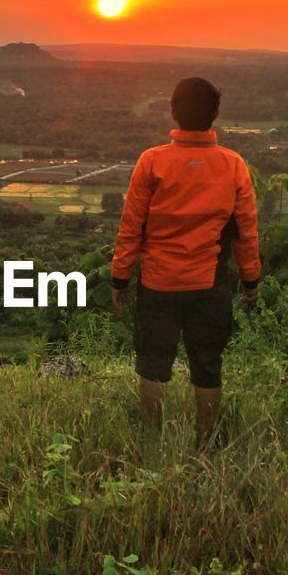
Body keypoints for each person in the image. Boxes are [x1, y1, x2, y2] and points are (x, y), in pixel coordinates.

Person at [110, 77, 261, 444]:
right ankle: (205, 445)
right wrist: (251, 280)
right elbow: (245, 230)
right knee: (207, 365)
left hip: (158, 283)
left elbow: (132, 226)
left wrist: (120, 277)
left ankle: (151, 443)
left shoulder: (153, 161)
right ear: (216, 115)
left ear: (174, 112)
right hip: (209, 284)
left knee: (152, 363)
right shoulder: (233, 165)